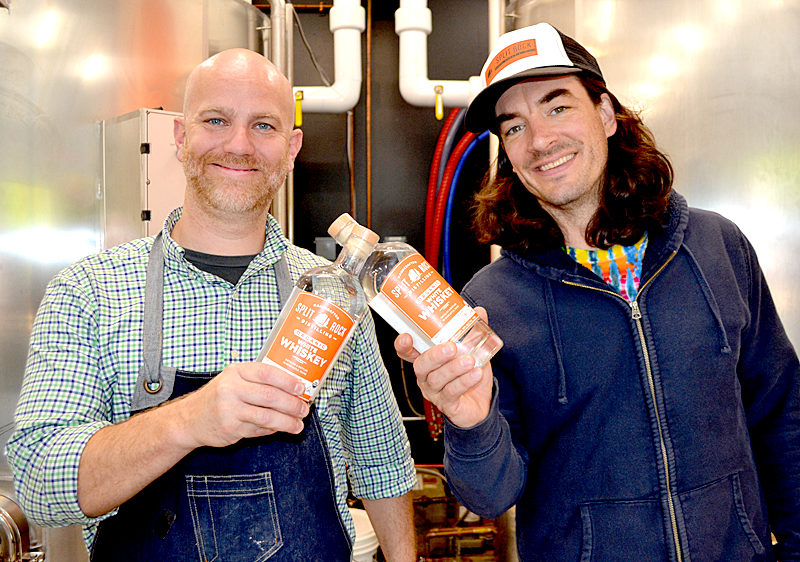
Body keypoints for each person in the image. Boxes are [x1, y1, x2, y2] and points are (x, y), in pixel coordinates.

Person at [395, 22, 800, 561]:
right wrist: (472, 421)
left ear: (606, 114)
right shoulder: (493, 301)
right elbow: (489, 495)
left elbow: (782, 415)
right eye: (513, 127)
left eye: (557, 107)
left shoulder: (717, 246)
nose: (539, 140)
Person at [7, 48, 417, 561]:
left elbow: (383, 464)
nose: (239, 144)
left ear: (291, 149)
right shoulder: (90, 291)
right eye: (216, 120)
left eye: (264, 126)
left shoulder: (334, 291)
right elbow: (38, 481)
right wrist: (188, 420)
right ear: (181, 137)